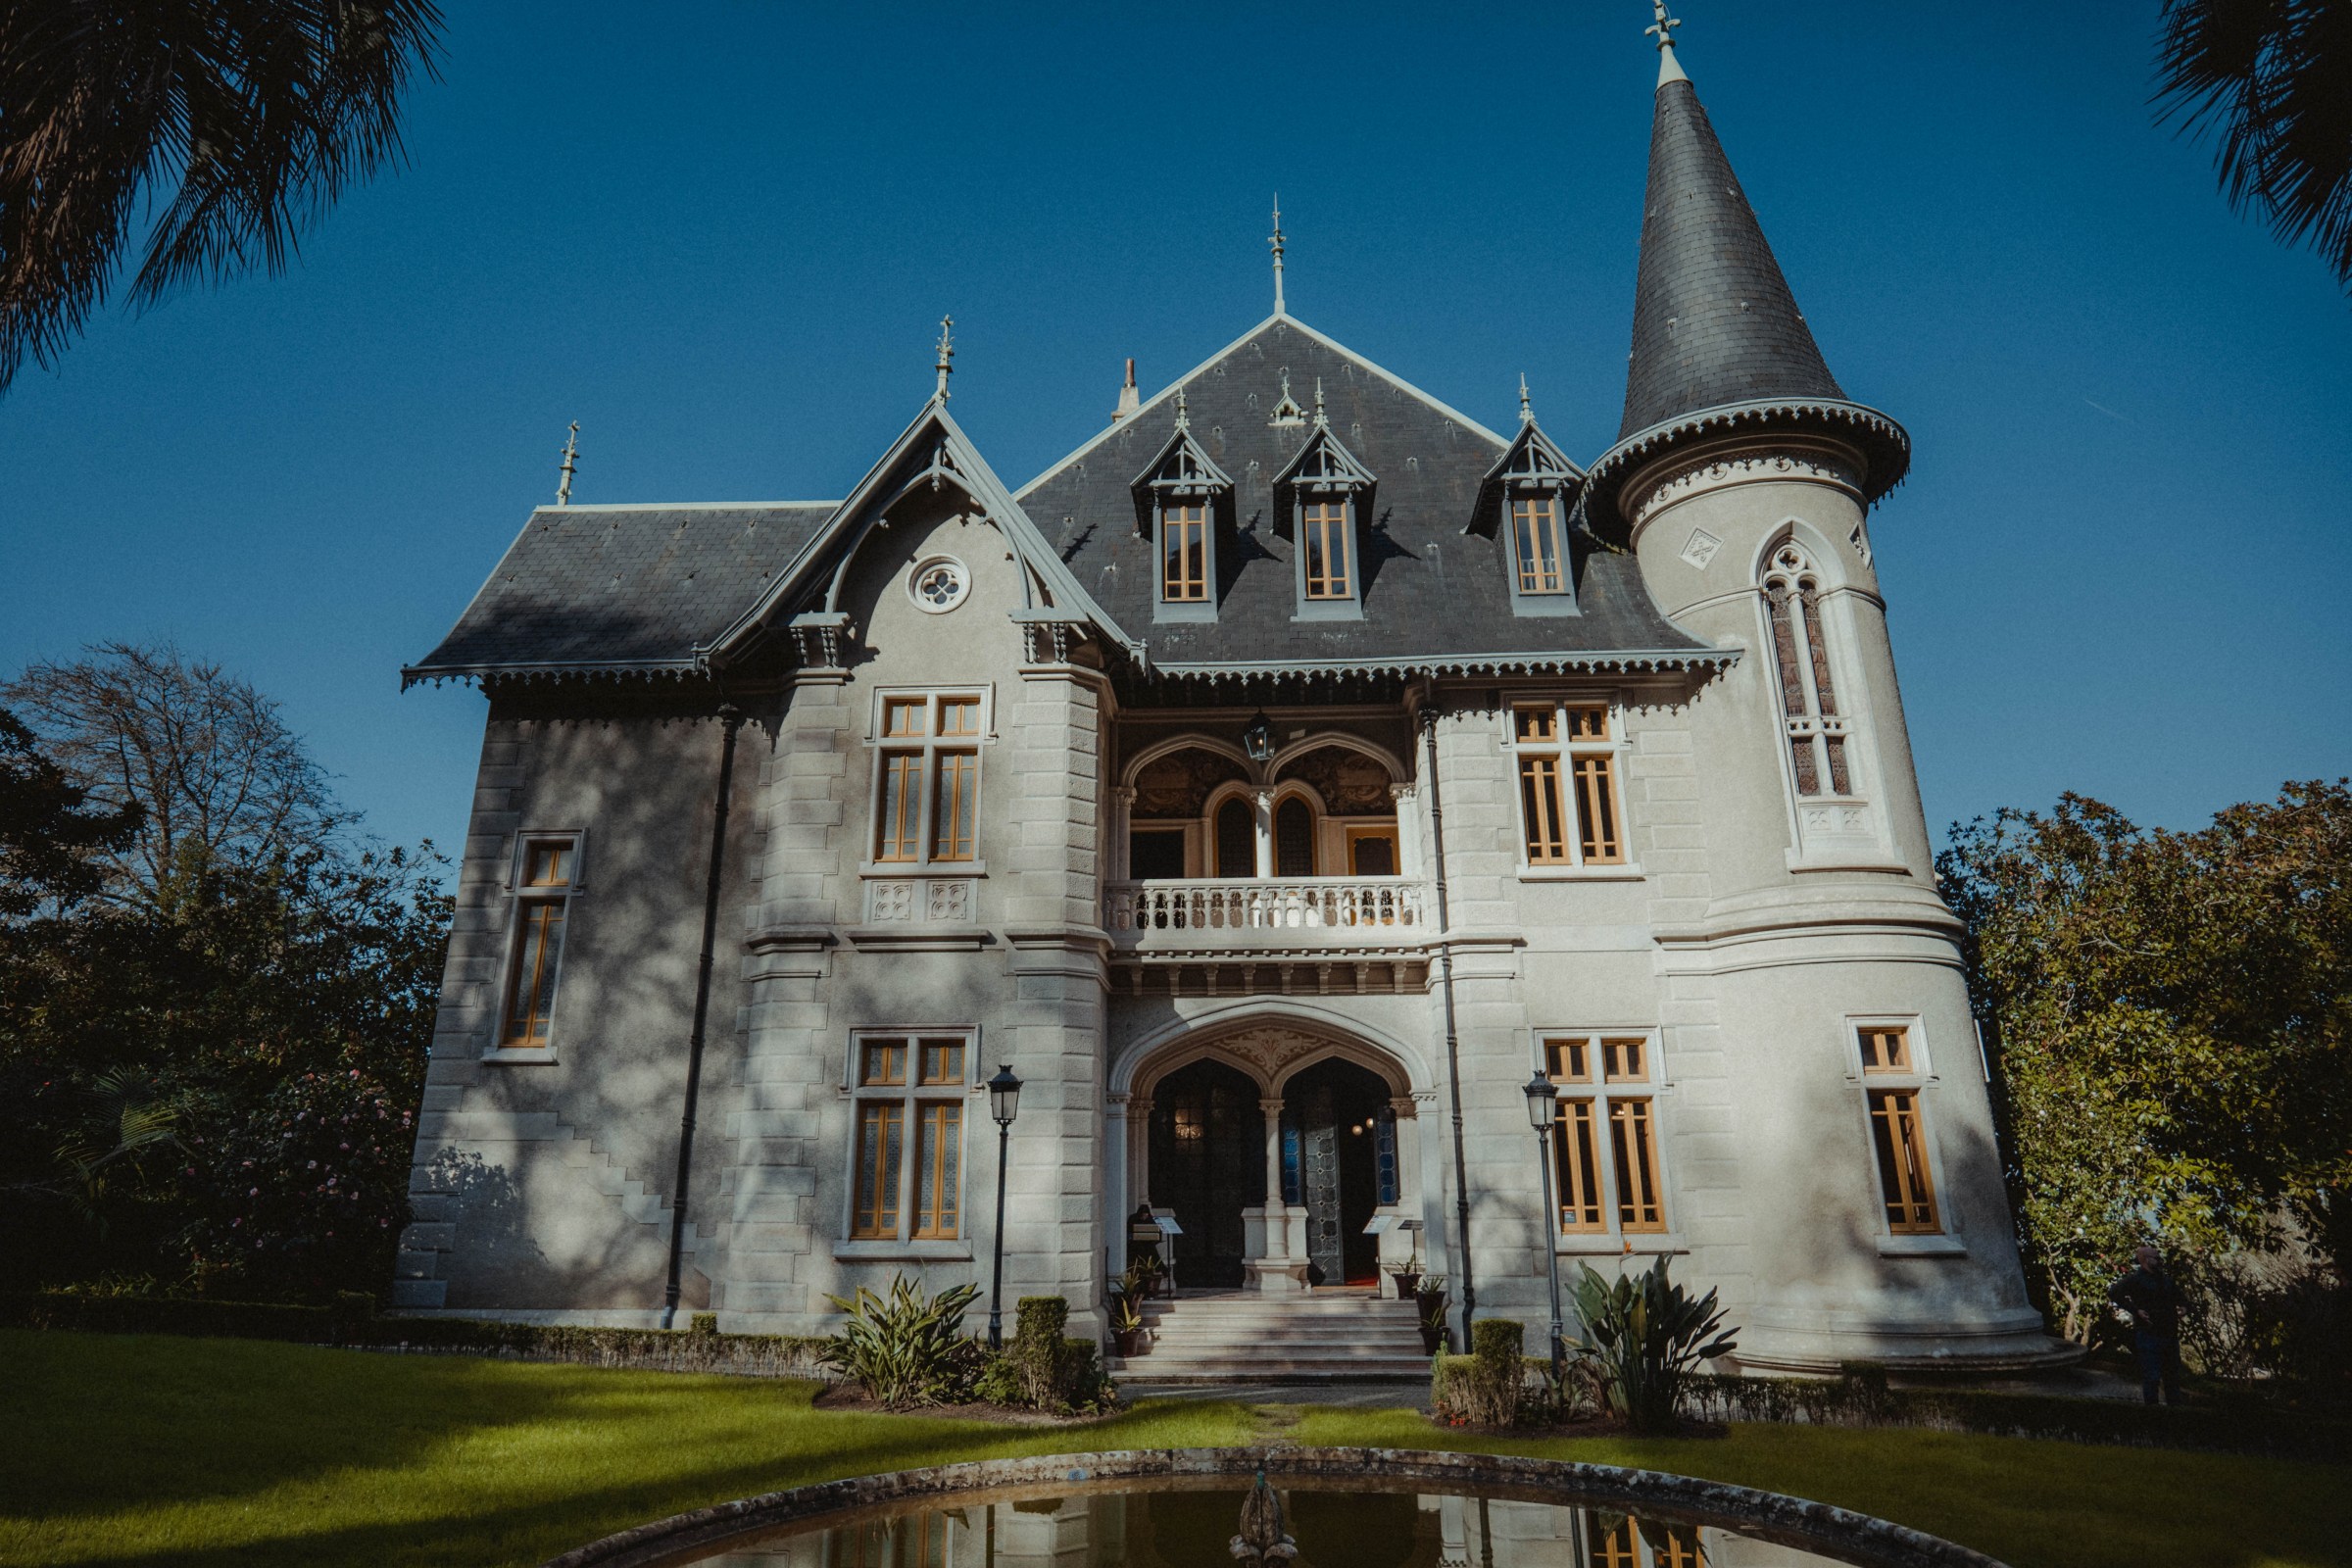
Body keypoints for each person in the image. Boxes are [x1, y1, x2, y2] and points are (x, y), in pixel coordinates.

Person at [2108, 1243, 2185, 1406]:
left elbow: (2181, 1298)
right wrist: (2136, 1311)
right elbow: (2114, 1292)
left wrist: (2183, 1307)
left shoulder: (2165, 1280)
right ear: (2145, 1260)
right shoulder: (2135, 1280)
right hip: (2149, 1334)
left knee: (2172, 1378)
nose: (2160, 1261)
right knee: (2152, 1377)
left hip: (2169, 1334)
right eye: (2156, 1258)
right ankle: (2152, 1413)